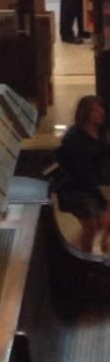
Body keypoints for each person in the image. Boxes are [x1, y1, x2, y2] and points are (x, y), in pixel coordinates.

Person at [53, 94, 110, 253]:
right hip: (72, 188)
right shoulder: (75, 139)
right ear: (86, 113)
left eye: (101, 108)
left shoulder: (100, 132)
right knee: (91, 226)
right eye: (96, 110)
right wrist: (103, 201)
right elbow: (83, 174)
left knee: (96, 223)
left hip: (88, 186)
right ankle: (85, 260)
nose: (101, 112)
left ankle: (75, 251)